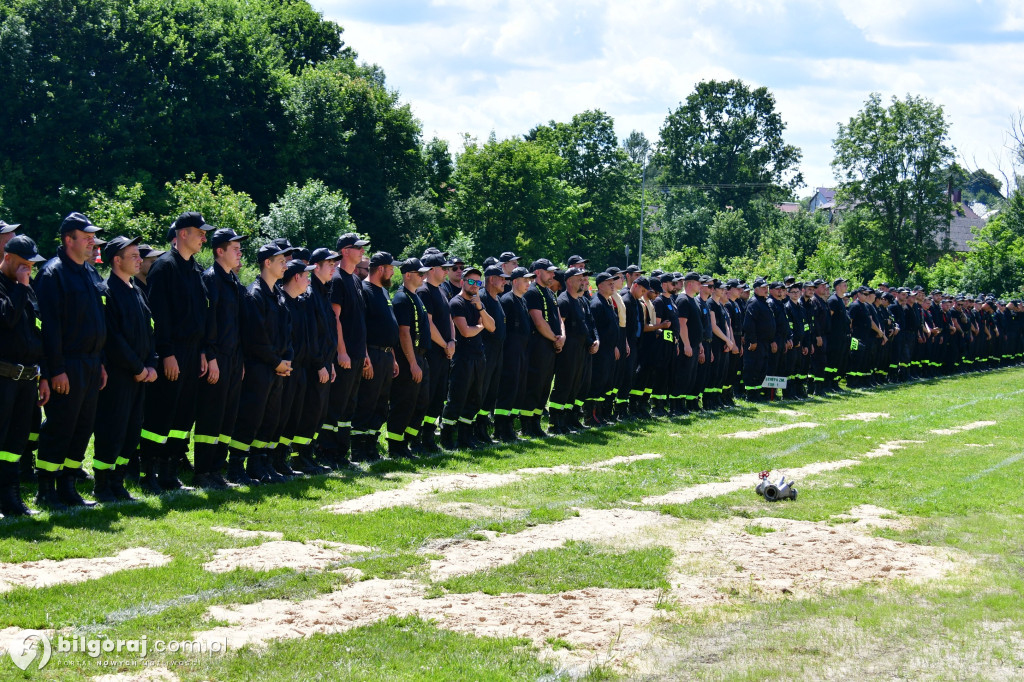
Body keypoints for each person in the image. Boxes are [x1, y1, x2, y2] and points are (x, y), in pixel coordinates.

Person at [34, 212, 107, 507]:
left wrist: (100, 361)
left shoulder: (89, 272)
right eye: (86, 237)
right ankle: (45, 490)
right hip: (68, 365)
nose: (92, 242)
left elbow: (97, 320)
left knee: (83, 426)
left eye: (93, 237)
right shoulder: (53, 275)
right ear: (68, 240)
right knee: (60, 426)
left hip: (91, 364)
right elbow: (48, 330)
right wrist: (56, 371)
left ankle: (67, 485)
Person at [139, 212, 214, 493]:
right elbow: (158, 316)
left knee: (183, 415)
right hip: (172, 352)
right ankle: (149, 474)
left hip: (194, 353)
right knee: (161, 413)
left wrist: (204, 352)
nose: (204, 237)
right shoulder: (164, 268)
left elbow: (201, 315)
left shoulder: (194, 269)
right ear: (183, 233)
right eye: (200, 232)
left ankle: (170, 473)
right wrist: (167, 353)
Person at [92, 236, 157, 502]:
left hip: (141, 374)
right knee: (112, 429)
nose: (140, 260)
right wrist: (137, 367)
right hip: (120, 375)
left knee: (132, 431)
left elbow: (150, 330)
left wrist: (151, 363)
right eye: (133, 256)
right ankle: (102, 484)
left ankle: (118, 481)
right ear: (116, 260)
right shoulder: (106, 292)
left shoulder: (137, 290)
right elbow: (114, 338)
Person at [229, 243, 294, 485]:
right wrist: (276, 361)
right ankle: (235, 466)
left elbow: (287, 331)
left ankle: (260, 463)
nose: (285, 265)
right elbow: (255, 337)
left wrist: (286, 359)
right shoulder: (254, 294)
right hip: (260, 367)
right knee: (250, 417)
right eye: (281, 261)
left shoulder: (277, 293)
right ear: (267, 263)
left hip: (277, 368)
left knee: (270, 418)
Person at [193, 228, 247, 489]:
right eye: (234, 248)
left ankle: (217, 469)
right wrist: (210, 356)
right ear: (219, 251)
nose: (240, 253)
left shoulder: (233, 280)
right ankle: (203, 471)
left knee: (228, 416)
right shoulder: (211, 279)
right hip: (218, 357)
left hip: (235, 358)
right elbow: (207, 323)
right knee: (211, 415)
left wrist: (242, 361)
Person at [0, 235, 48, 516]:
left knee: (15, 443)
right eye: (22, 264)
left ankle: (11, 497)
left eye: (30, 265)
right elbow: (6, 318)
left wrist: (43, 375)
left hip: (27, 378)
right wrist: (20, 286)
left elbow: (37, 331)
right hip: (4, 377)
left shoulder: (26, 289)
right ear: (7, 258)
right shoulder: (15, 287)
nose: (27, 270)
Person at [323, 232, 369, 466]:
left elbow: (359, 320)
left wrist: (366, 354)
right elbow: (336, 318)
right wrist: (341, 351)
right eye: (357, 247)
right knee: (336, 405)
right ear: (345, 251)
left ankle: (341, 453)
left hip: (358, 354)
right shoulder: (338, 279)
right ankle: (328, 453)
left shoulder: (356, 280)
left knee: (349, 406)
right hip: (345, 355)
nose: (362, 251)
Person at [352, 252, 400, 461]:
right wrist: (365, 356)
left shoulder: (384, 292)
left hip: (387, 355)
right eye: (391, 268)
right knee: (366, 402)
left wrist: (394, 357)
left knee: (381, 404)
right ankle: (358, 449)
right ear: (381, 269)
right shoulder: (365, 290)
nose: (392, 272)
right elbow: (360, 327)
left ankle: (372, 445)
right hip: (371, 353)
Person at [440, 266, 495, 449]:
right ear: (463, 282)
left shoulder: (477, 303)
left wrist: (479, 307)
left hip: (479, 357)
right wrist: (480, 327)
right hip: (462, 358)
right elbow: (465, 331)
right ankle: (447, 437)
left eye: (478, 283)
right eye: (471, 281)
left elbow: (492, 326)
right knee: (457, 398)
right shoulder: (456, 303)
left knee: (474, 399)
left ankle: (465, 437)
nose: (474, 286)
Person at [298, 248, 340, 473]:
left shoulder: (324, 291)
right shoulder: (311, 292)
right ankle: (300, 456)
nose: (334, 267)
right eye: (329, 263)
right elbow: (311, 334)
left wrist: (330, 361)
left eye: (334, 263)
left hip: (325, 363)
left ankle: (308, 453)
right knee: (311, 410)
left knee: (319, 412)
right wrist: (319, 363)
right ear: (316, 267)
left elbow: (328, 332)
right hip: (315, 365)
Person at [385, 258, 431, 459]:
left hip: (420, 356)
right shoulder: (401, 298)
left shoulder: (416, 297)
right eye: (420, 274)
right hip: (408, 359)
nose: (423, 276)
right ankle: (395, 445)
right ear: (408, 275)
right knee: (404, 403)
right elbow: (404, 333)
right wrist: (412, 363)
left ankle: (408, 441)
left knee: (421, 402)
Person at [413, 250, 456, 453]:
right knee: (426, 397)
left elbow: (448, 319)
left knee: (439, 397)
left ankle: (429, 437)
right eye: (443, 268)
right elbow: (427, 324)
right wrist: (445, 344)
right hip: (432, 353)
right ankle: (417, 439)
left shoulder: (441, 290)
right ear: (431, 269)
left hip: (444, 352)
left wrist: (452, 341)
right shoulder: (424, 291)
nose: (447, 271)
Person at [522, 259, 563, 437]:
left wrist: (561, 337)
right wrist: (555, 338)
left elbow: (559, 318)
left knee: (545, 385)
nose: (553, 275)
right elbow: (539, 322)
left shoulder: (550, 293)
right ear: (538, 272)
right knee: (534, 385)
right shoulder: (532, 293)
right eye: (549, 272)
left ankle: (536, 421)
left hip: (551, 346)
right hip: (538, 346)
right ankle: (527, 424)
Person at [549, 267, 593, 434]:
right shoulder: (564, 300)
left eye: (583, 278)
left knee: (575, 385)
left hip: (580, 350)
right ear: (568, 281)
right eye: (579, 278)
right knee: (563, 385)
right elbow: (561, 325)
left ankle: (567, 420)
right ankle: (554, 422)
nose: (582, 281)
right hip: (568, 351)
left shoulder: (579, 301)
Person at [494, 266, 534, 441]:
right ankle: (501, 427)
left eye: (529, 280)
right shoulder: (507, 300)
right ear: (515, 281)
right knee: (508, 388)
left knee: (519, 388)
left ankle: (510, 423)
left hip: (523, 351)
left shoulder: (523, 300)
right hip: (510, 351)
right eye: (525, 280)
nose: (528, 284)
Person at [477, 264, 508, 442]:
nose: (505, 281)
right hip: (486, 350)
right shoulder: (483, 298)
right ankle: (476, 428)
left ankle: (483, 425)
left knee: (491, 390)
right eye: (501, 278)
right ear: (491, 279)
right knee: (482, 389)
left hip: (498, 351)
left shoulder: (497, 298)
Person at [588, 271, 621, 425]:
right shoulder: (596, 303)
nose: (613, 285)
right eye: (609, 283)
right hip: (600, 351)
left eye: (613, 282)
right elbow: (594, 328)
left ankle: (600, 414)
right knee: (597, 381)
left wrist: (614, 346)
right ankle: (590, 415)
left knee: (606, 382)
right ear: (600, 285)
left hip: (609, 349)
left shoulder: (607, 301)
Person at [742, 278, 776, 401]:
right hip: (757, 342)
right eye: (763, 288)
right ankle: (751, 394)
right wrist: (753, 341)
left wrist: (772, 340)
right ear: (756, 289)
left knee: (761, 368)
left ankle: (757, 392)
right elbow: (749, 324)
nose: (766, 290)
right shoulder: (754, 302)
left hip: (765, 342)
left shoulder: (764, 302)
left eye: (766, 287)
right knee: (753, 368)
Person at [825, 278, 851, 391]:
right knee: (832, 360)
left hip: (842, 337)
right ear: (837, 287)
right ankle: (828, 383)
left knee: (838, 361)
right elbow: (828, 319)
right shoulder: (833, 300)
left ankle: (834, 382)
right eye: (844, 285)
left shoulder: (840, 300)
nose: (846, 287)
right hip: (834, 337)